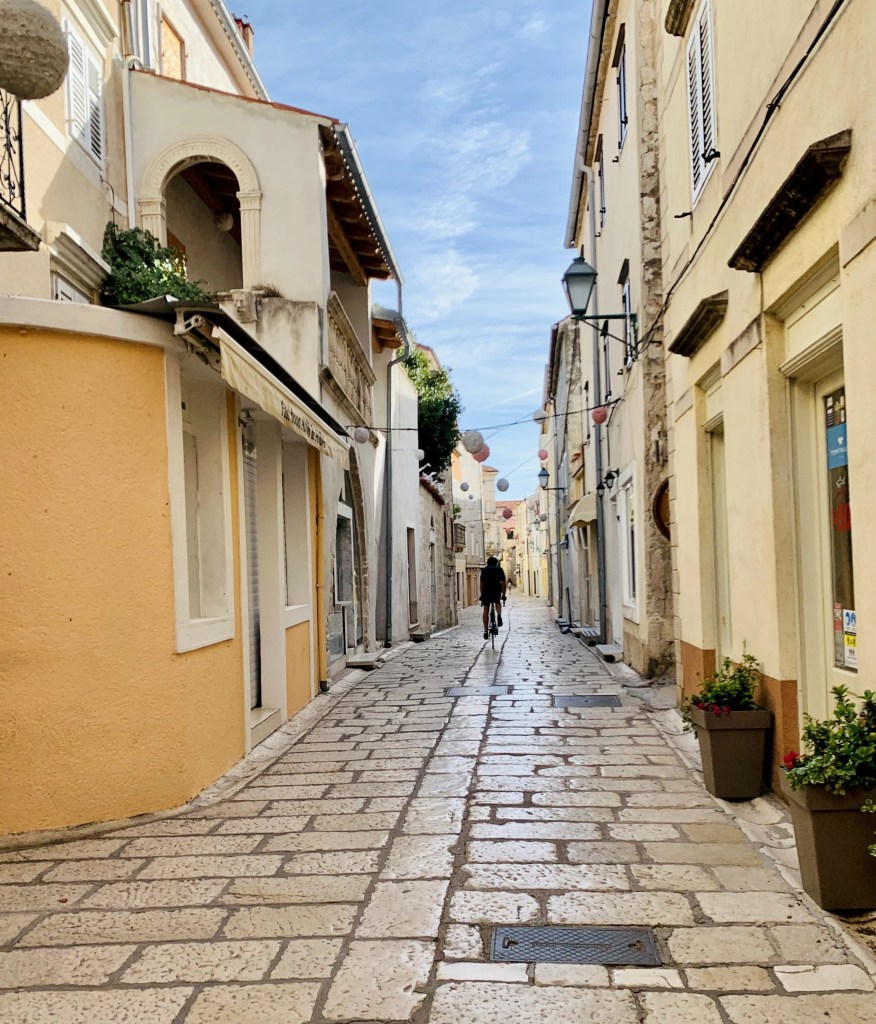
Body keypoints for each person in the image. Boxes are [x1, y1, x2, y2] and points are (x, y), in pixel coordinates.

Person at [480, 556, 507, 639]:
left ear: (487, 562)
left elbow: (481, 584)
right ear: (496, 563)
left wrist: (482, 594)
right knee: (497, 602)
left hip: (486, 591)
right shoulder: (499, 569)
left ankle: (485, 631)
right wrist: (503, 594)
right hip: (496, 590)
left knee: (486, 609)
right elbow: (503, 582)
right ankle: (499, 615)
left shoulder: (484, 570)